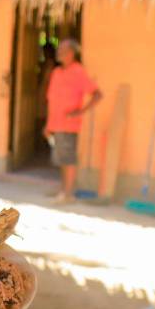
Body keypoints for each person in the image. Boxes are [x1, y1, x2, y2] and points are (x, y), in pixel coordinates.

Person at [44, 39, 102, 203]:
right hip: (56, 124)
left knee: (68, 159)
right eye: (59, 49)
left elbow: (97, 94)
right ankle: (64, 190)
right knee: (61, 159)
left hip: (69, 125)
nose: (58, 52)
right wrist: (48, 124)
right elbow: (51, 99)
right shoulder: (56, 73)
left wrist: (80, 112)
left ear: (71, 53)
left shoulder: (78, 72)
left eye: (62, 50)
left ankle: (67, 194)